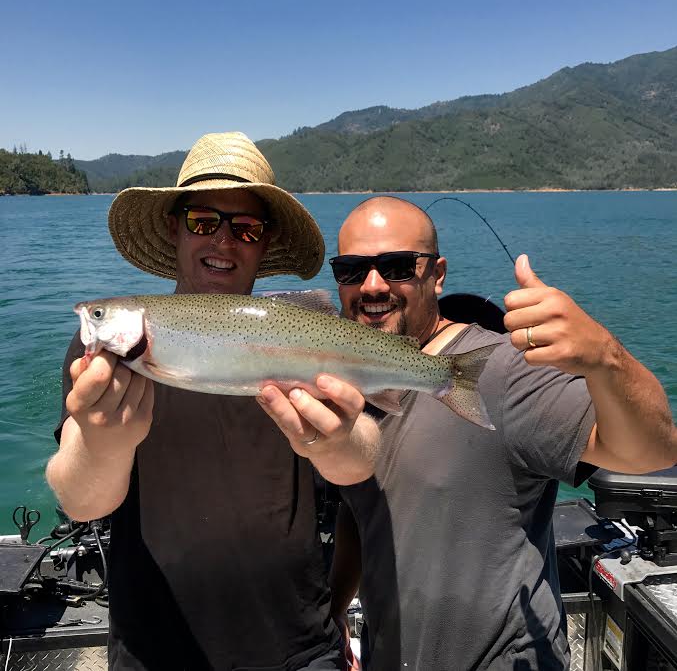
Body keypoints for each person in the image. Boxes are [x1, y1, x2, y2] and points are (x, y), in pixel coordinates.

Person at [46, 132, 380, 671]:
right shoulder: (103, 359)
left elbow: (363, 463)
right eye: (205, 222)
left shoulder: (315, 342)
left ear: (264, 243)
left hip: (300, 650)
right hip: (155, 652)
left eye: (245, 228)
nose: (224, 241)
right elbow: (80, 500)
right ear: (175, 228)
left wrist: (339, 438)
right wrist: (105, 443)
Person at [327, 196, 676, 671]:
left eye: (396, 266)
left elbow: (651, 450)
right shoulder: (352, 386)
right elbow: (358, 512)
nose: (372, 285)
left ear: (438, 273)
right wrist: (333, 612)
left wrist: (605, 357)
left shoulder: (501, 371)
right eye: (351, 270)